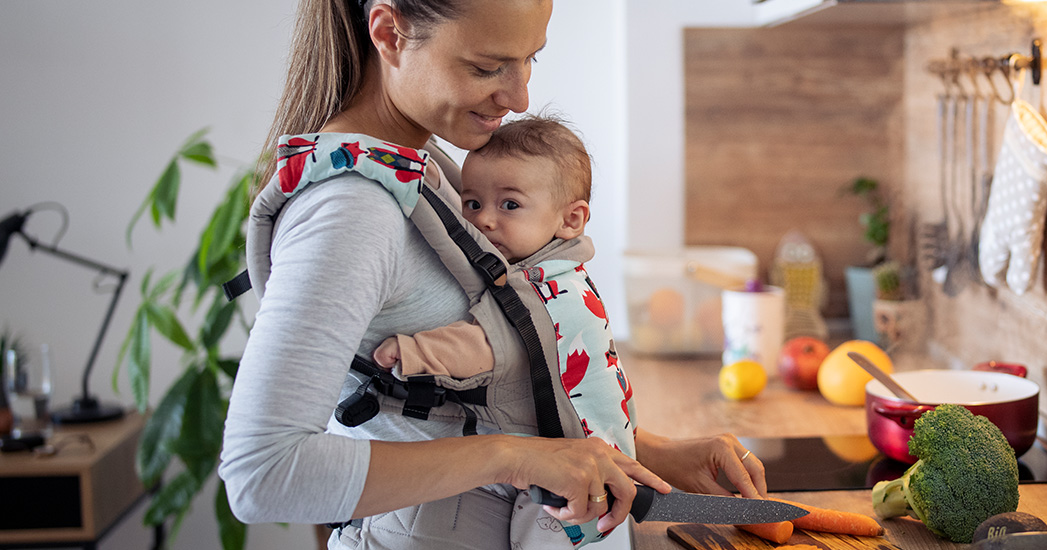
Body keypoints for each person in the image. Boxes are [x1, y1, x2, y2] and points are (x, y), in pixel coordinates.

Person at [218, 1, 767, 549]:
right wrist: (514, 459)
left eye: (530, 59)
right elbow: (262, 475)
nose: (520, 97)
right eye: (487, 67)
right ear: (389, 33)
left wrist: (635, 448)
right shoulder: (351, 213)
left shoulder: (426, 169)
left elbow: (476, 406)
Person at [371, 115, 596, 383]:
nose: (483, 221)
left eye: (510, 205)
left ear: (570, 220)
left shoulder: (551, 287)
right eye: (473, 204)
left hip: (579, 426)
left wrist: (415, 352)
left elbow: (496, 345)